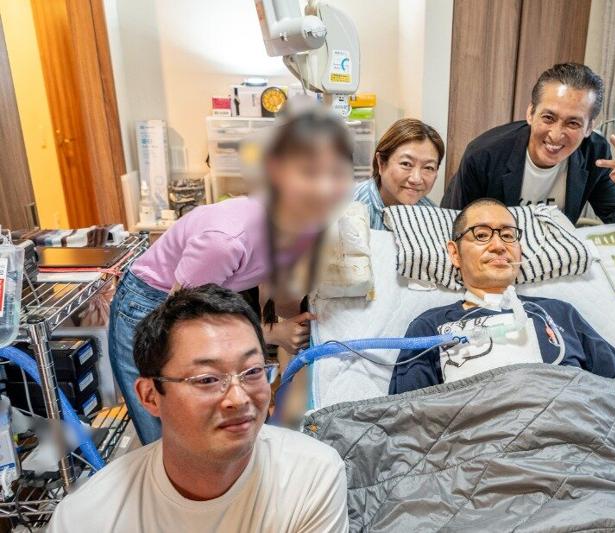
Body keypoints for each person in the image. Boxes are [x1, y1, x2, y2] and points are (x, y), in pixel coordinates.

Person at [109, 108, 354, 444]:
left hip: (205, 298)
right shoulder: (225, 241)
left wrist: (296, 329)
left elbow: (278, 292)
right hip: (152, 305)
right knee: (169, 432)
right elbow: (183, 327)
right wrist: (273, 334)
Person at [49, 285, 348, 533]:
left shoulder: (311, 476)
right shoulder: (86, 518)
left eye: (253, 372)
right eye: (207, 379)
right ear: (150, 396)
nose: (239, 398)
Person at [389, 198, 615, 395]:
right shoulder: (431, 327)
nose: (499, 246)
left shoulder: (559, 314)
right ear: (455, 254)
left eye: (508, 236)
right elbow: (407, 417)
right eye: (481, 235)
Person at [441, 63, 615, 238]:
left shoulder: (594, 153)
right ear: (530, 113)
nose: (556, 134)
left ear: (589, 127)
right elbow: (454, 228)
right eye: (548, 118)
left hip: (554, 258)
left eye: (573, 123)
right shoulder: (484, 154)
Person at [353, 118, 445, 230]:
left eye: (428, 167)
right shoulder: (344, 206)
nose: (416, 179)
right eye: (406, 164)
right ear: (381, 163)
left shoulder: (433, 218)